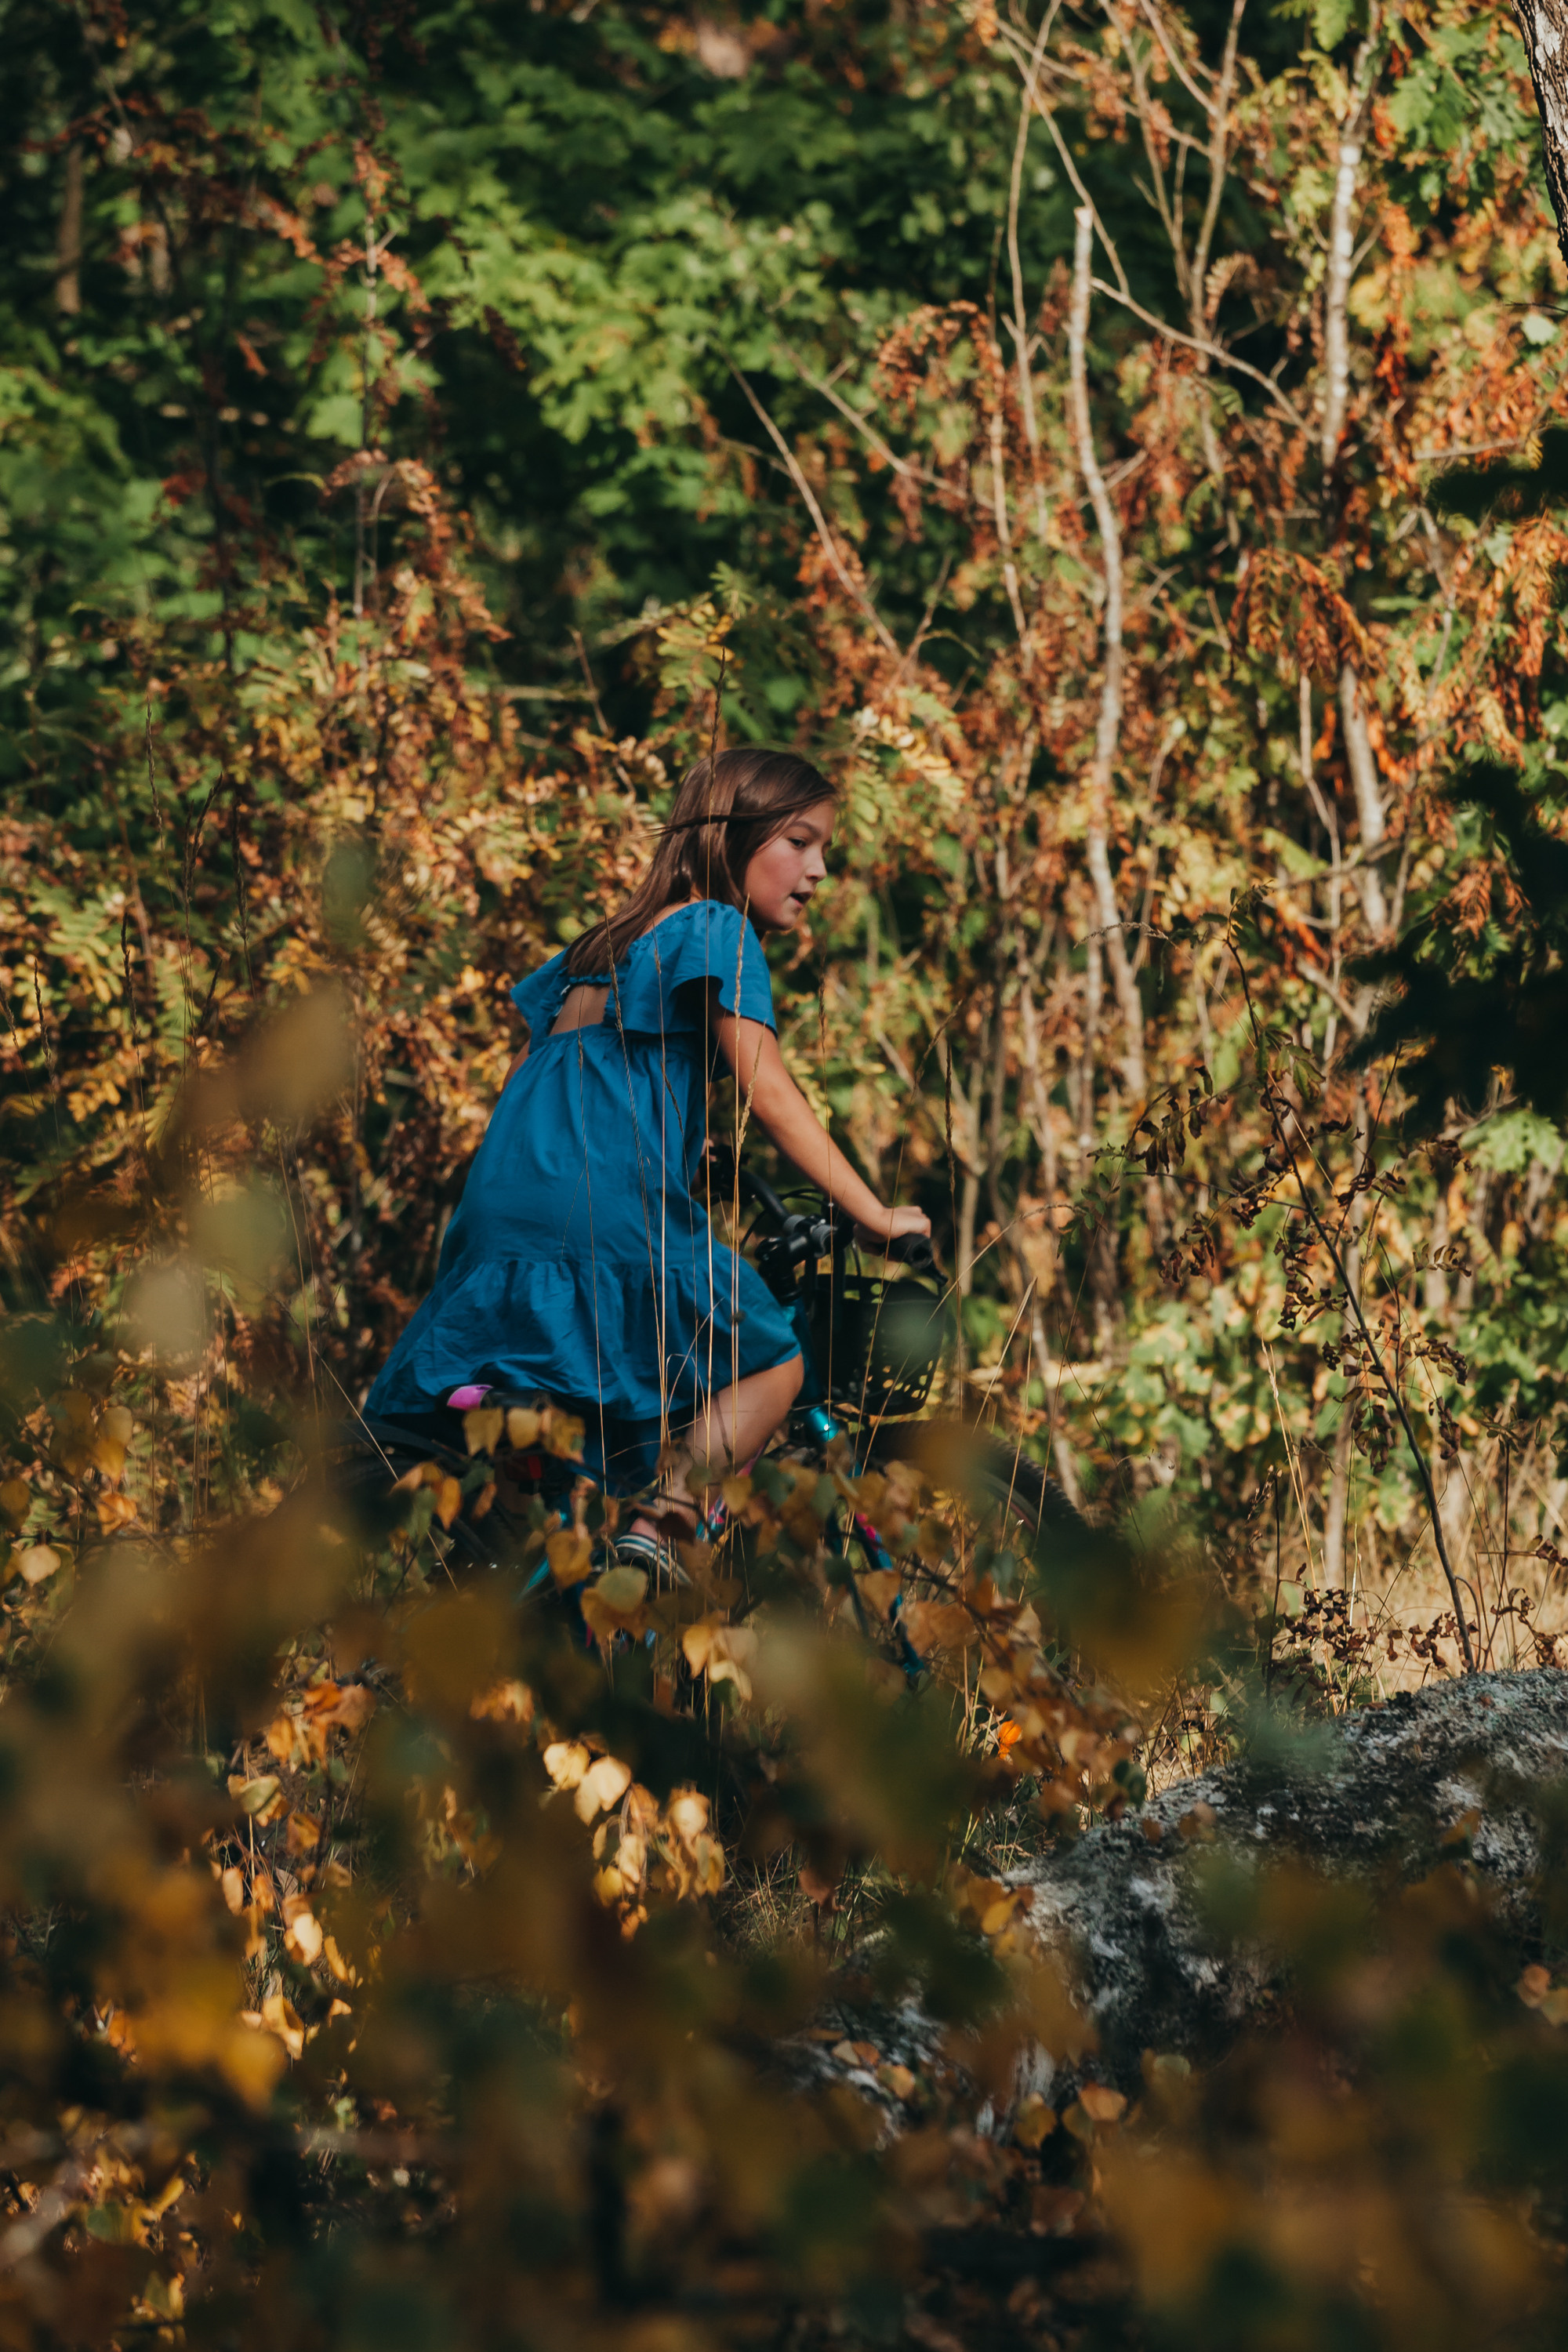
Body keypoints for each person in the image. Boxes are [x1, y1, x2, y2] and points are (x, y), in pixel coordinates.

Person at [363, 746, 930, 1569]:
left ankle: (547, 1602)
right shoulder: (716, 928)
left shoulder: (590, 952)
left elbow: (544, 1087)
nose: (816, 870)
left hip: (499, 1221)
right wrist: (873, 1215)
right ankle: (661, 1528)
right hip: (605, 1217)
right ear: (730, 836)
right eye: (799, 842)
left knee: (575, 1470)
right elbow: (767, 1094)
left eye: (824, 850)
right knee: (771, 1366)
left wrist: (675, 1134)